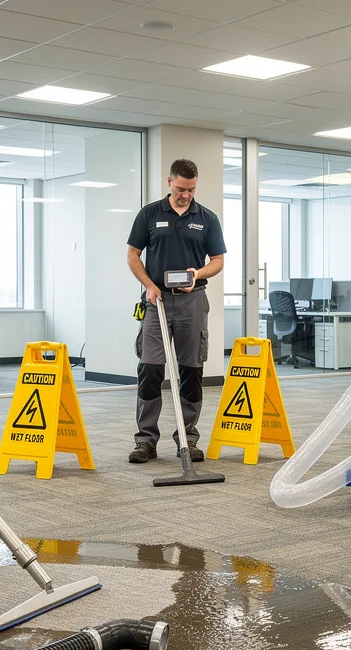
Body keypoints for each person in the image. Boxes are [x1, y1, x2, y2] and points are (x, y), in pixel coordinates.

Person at [126, 158, 226, 463]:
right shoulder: (150, 214)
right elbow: (133, 255)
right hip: (156, 300)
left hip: (192, 300)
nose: (186, 195)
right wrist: (148, 285)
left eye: (191, 189)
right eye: (181, 188)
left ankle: (188, 438)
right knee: (150, 369)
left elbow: (218, 261)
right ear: (169, 182)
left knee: (191, 370)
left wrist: (197, 274)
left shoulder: (207, 218)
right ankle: (146, 441)